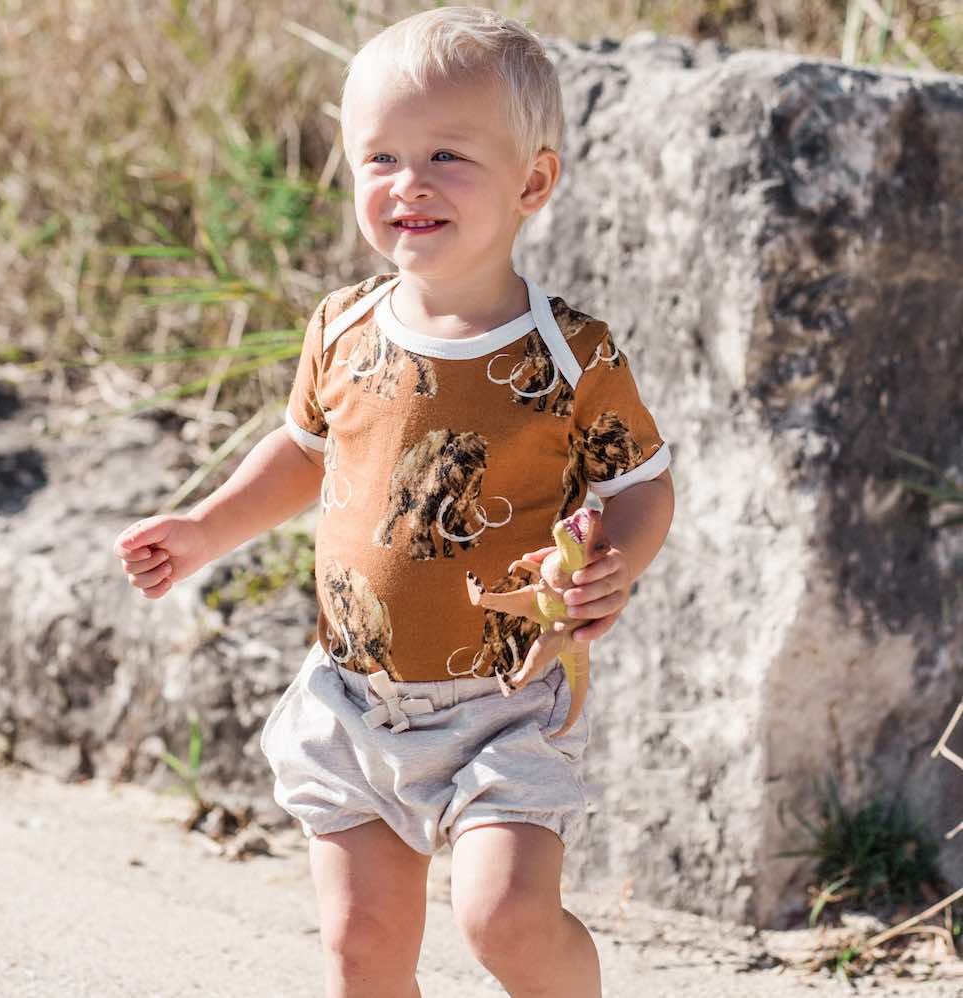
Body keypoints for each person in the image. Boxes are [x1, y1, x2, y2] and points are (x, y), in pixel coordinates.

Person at [113, 7, 674, 996]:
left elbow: (641, 483)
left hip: (508, 700)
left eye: (447, 155)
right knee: (361, 947)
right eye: (380, 157)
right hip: (352, 695)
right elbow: (303, 453)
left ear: (532, 182)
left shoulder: (570, 353)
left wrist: (615, 559)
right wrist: (204, 529)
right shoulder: (343, 327)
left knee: (503, 918)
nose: (407, 182)